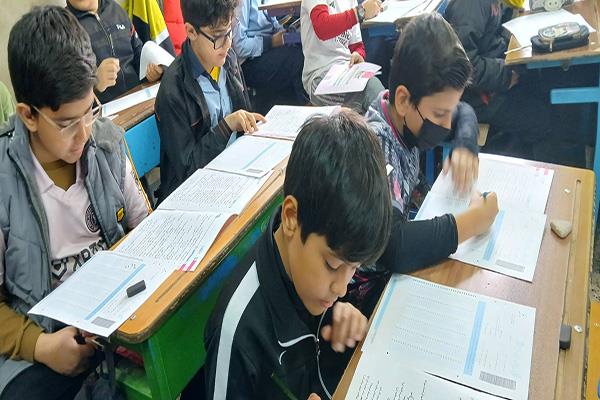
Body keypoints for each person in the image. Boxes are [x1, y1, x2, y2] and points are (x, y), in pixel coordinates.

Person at [0, 6, 150, 399]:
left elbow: (146, 231)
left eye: (90, 111)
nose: (84, 134)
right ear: (28, 116)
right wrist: (41, 346)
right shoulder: (4, 182)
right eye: (67, 123)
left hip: (118, 323)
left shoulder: (106, 144)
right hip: (46, 343)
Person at [195, 111, 392, 399]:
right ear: (290, 217)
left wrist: (337, 315)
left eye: (354, 268)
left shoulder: (313, 264)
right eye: (333, 265)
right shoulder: (238, 332)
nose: (342, 288)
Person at [444, 0, 585, 166]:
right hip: (479, 98)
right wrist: (506, 76)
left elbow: (494, 33)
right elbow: (463, 67)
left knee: (549, 86)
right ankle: (545, 172)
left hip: (494, 78)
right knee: (545, 121)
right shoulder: (471, 6)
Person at [155, 0, 265, 201]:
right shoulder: (173, 89)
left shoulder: (227, 59)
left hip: (234, 172)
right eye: (217, 37)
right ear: (191, 32)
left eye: (229, 32)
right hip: (194, 193)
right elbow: (187, 171)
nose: (228, 43)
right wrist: (226, 127)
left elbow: (244, 117)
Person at [67, 0, 164, 103]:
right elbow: (67, 98)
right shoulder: (64, 27)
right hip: (105, 110)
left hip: (141, 99)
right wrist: (94, 85)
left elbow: (139, 54)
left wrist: (153, 71)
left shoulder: (116, 9)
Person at [300, 0, 385, 113]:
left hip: (346, 71)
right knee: (372, 90)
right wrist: (361, 12)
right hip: (320, 76)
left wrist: (358, 54)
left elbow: (357, 46)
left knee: (372, 93)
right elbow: (322, 27)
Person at [233, 0, 308, 114]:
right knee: (297, 58)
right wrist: (271, 41)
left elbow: (274, 23)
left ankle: (299, 106)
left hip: (270, 45)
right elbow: (240, 46)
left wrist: (287, 33)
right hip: (250, 62)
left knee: (304, 44)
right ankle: (307, 107)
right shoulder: (242, 3)